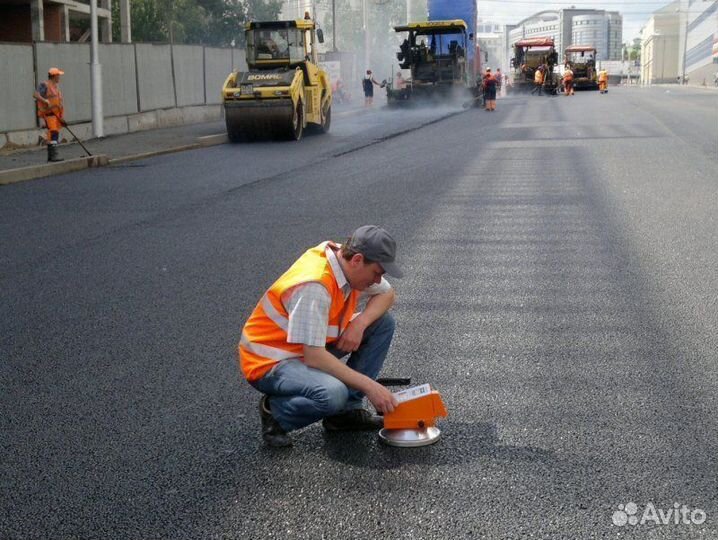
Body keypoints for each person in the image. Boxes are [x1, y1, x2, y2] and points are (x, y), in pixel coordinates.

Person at [237, 225, 404, 447]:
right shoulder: (315, 285)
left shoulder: (343, 263)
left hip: (306, 346)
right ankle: (276, 414)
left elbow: (387, 293)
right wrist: (370, 386)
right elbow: (314, 357)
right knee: (332, 393)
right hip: (271, 361)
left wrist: (360, 323)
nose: (376, 281)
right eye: (376, 273)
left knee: (381, 323)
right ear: (357, 260)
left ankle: (344, 415)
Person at [33, 67, 65, 162]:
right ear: (54, 76)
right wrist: (44, 100)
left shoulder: (55, 87)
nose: (59, 77)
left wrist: (61, 117)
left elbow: (58, 102)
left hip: (56, 115)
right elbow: (35, 94)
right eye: (58, 75)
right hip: (49, 114)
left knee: (55, 133)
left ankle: (51, 156)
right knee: (53, 132)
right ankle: (53, 155)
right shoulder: (45, 85)